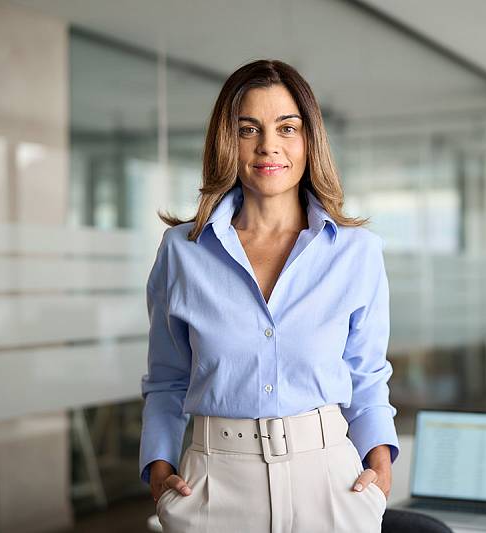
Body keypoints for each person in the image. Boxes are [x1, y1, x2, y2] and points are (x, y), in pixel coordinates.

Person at [139, 59, 399, 532]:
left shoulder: (357, 253)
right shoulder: (182, 252)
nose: (268, 146)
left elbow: (367, 377)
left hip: (329, 482)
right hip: (214, 485)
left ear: (309, 139)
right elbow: (166, 380)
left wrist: (380, 470)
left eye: (287, 127)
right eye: (248, 129)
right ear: (227, 141)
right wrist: (158, 466)